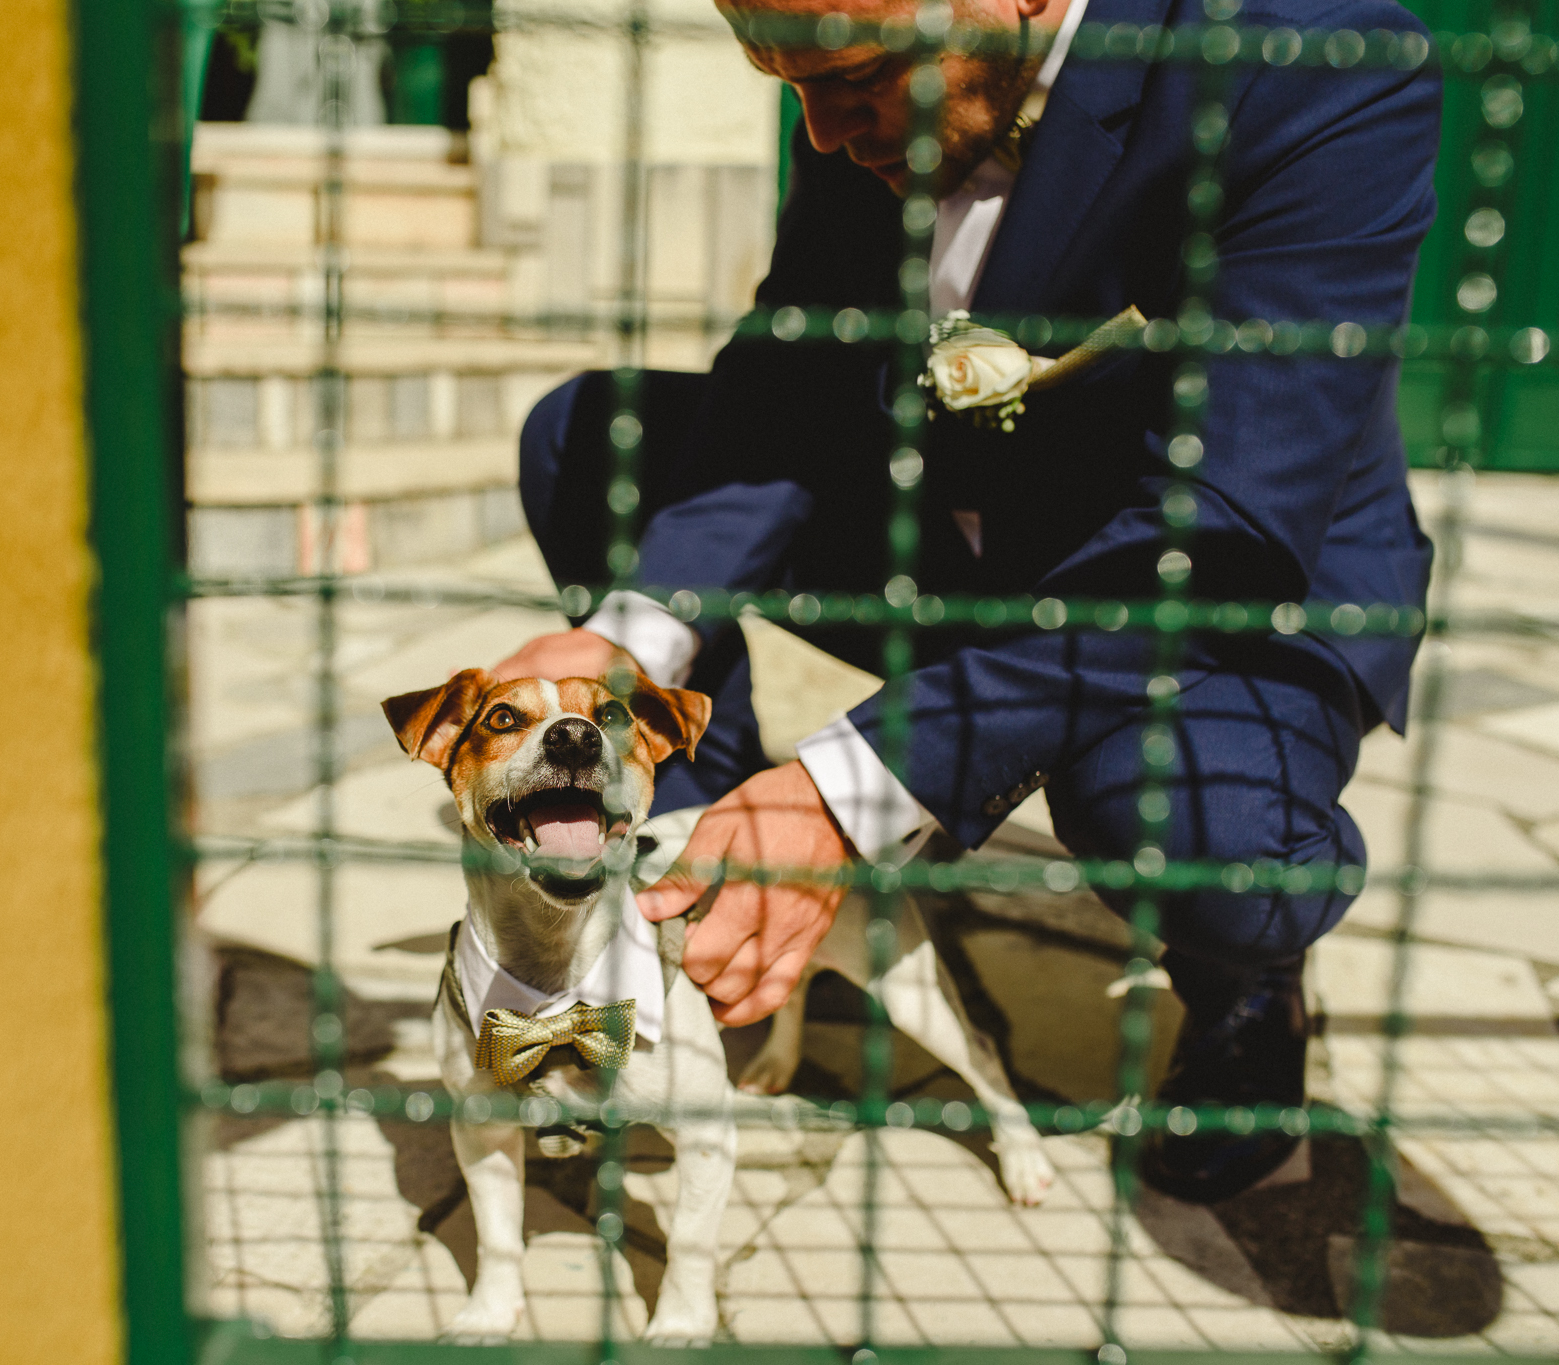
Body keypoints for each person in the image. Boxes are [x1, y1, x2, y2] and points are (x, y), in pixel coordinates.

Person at [490, 0, 1439, 1201]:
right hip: (953, 532)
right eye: (785, 83)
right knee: (591, 439)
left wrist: (847, 794)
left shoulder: (1308, 66)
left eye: (854, 77)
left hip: (1221, 576)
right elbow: (798, 366)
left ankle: (1242, 983)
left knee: (1197, 829)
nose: (823, 132)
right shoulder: (858, 107)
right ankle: (719, 888)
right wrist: (619, 644)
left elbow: (1223, 528)